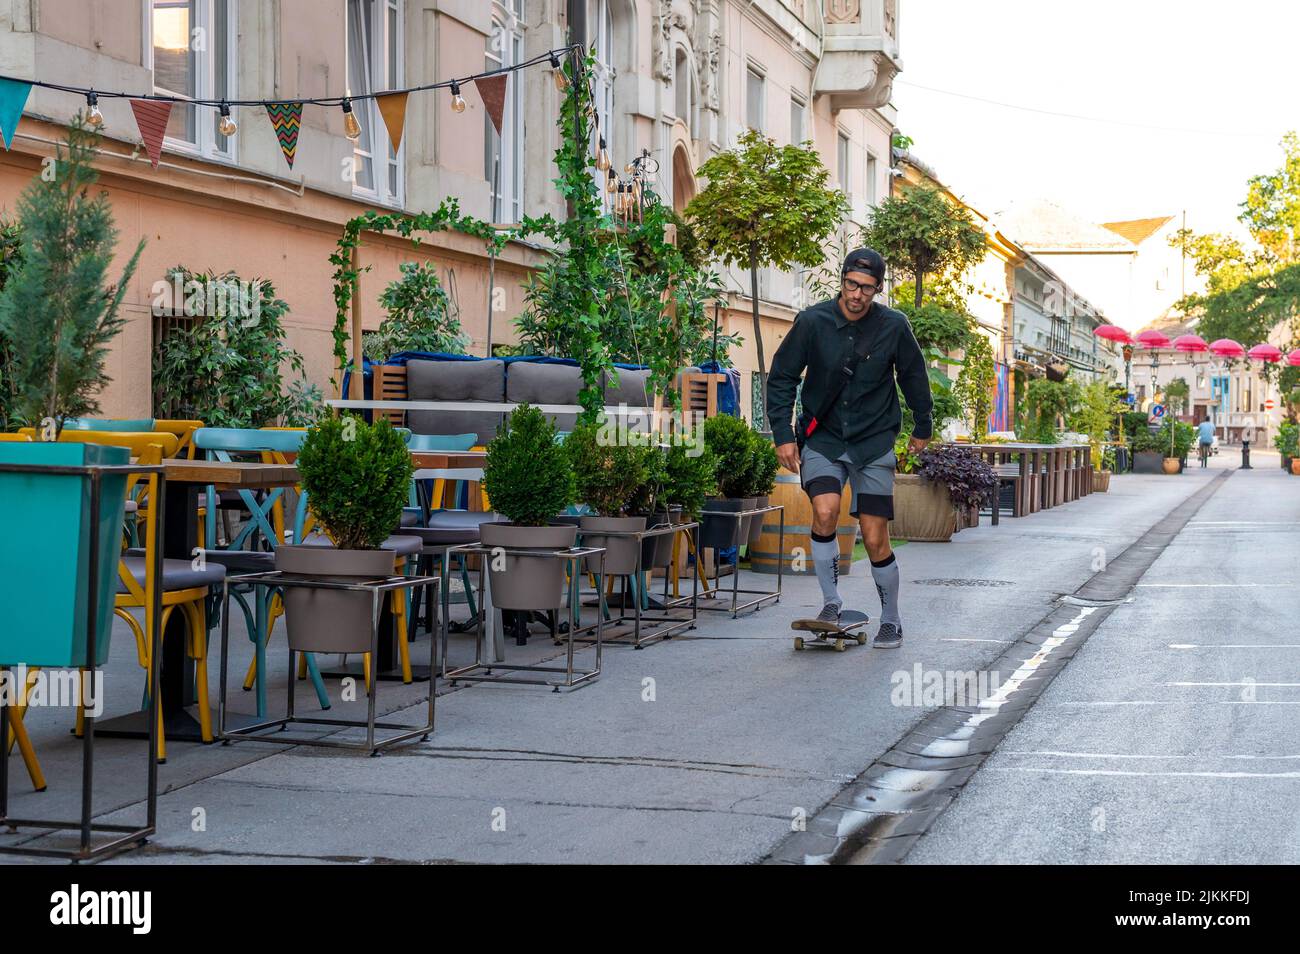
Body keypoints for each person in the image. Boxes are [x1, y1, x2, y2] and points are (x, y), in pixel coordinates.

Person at [766, 248, 932, 648]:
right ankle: (831, 602)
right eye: (852, 284)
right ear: (842, 280)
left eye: (868, 288)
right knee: (824, 511)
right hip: (823, 437)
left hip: (873, 441)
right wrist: (783, 434)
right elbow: (782, 376)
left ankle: (890, 618)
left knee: (874, 536)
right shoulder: (812, 322)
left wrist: (923, 424)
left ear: (878, 289)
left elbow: (913, 375)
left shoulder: (894, 326)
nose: (857, 294)